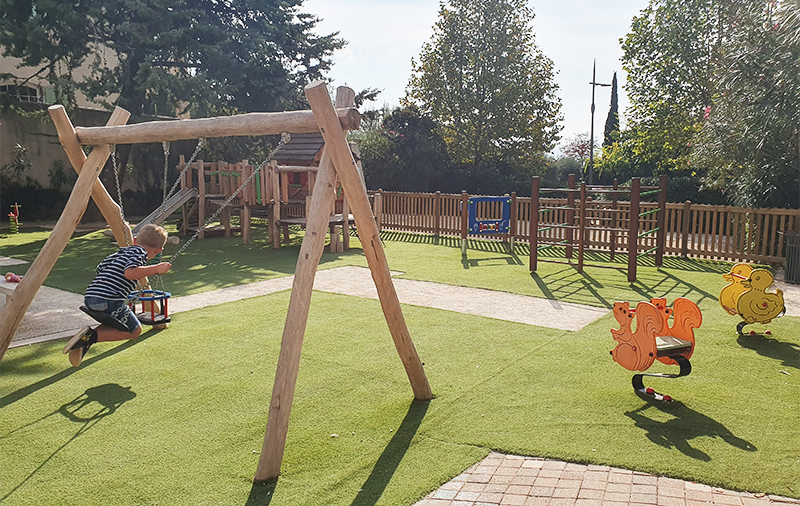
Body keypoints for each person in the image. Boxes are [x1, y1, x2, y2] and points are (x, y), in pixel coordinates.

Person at [63, 224, 171, 367]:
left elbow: (100, 268)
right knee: (134, 331)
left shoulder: (120, 253)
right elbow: (130, 273)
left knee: (115, 323)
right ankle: (90, 337)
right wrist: (156, 268)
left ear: (135, 240)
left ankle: (84, 340)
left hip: (90, 297)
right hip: (109, 301)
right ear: (159, 251)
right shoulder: (140, 253)